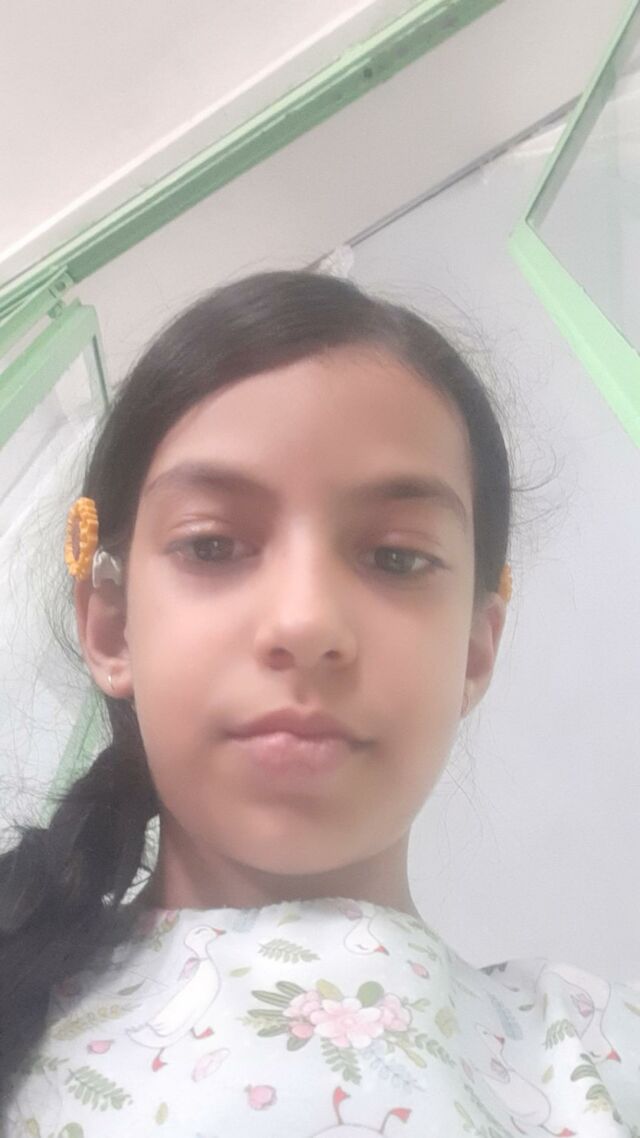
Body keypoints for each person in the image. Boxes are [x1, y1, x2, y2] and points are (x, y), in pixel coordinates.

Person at [0, 270, 637, 1136]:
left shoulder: (598, 1056)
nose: (305, 622)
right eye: (213, 544)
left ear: (475, 649)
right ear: (111, 626)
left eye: (396, 558)